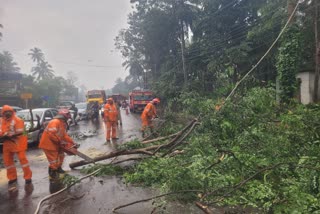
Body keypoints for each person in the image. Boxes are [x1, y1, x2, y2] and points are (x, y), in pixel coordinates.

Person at [0, 105, 33, 193]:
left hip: (18, 143)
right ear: (3, 113)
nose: (7, 114)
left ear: (12, 112)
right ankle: (12, 178)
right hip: (7, 144)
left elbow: (19, 132)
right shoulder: (1, 121)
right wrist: (3, 135)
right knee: (8, 162)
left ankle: (28, 178)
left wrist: (8, 135)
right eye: (5, 112)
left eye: (9, 112)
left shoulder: (18, 120)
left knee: (23, 161)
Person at [39, 109, 78, 183]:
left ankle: (59, 169)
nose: (67, 119)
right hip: (49, 144)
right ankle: (53, 175)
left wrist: (72, 143)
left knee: (61, 156)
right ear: (63, 116)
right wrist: (60, 142)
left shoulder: (62, 123)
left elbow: (64, 135)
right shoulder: (55, 122)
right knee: (53, 160)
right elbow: (51, 134)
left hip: (56, 143)